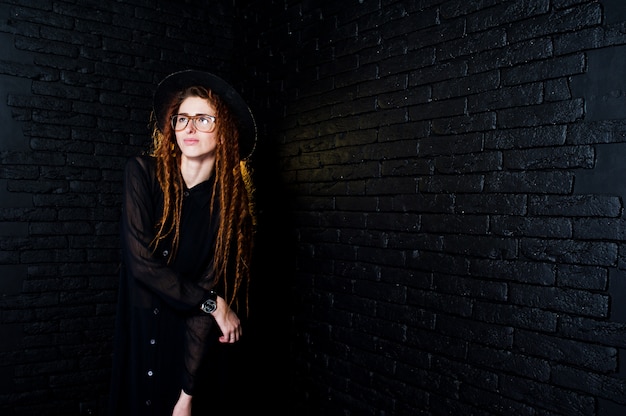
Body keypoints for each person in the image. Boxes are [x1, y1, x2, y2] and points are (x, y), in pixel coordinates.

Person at [107, 69, 257, 416]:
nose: (189, 128)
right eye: (183, 118)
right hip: (137, 334)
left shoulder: (227, 209)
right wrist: (213, 304)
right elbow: (140, 262)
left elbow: (208, 291)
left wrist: (186, 394)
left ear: (226, 131)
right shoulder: (142, 173)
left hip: (184, 345)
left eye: (203, 119)